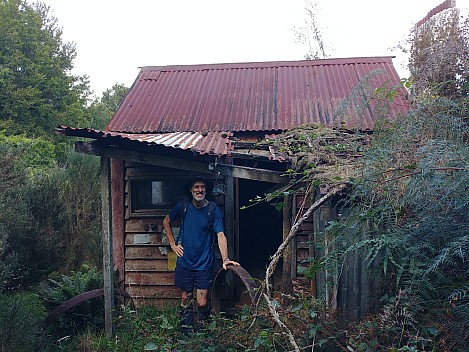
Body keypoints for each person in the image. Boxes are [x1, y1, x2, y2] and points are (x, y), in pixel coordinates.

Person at [163, 176, 239, 334]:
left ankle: (203, 332)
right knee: (185, 297)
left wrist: (225, 259)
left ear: (206, 189)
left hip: (204, 263)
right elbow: (166, 221)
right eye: (196, 187)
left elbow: (220, 235)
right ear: (191, 190)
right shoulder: (183, 207)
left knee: (202, 302)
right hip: (185, 262)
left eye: (202, 187)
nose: (199, 190)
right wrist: (172, 245)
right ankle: (186, 332)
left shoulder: (213, 209)